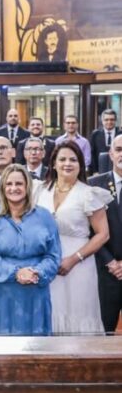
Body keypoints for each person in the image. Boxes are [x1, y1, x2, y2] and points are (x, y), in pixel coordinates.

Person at [35, 141, 111, 334]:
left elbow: (103, 234)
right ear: (53, 163)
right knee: (51, 311)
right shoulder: (40, 190)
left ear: (80, 165)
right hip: (45, 264)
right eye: (62, 159)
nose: (67, 164)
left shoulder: (88, 194)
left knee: (77, 313)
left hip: (79, 264)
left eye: (73, 160)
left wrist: (74, 259)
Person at [0, 164, 61, 336]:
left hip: (35, 290)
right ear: (2, 188)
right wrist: (15, 273)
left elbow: (53, 255)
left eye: (19, 184)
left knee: (36, 351)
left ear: (27, 187)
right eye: (9, 184)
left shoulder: (45, 216)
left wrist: (35, 272)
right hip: (0, 292)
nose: (14, 188)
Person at [88, 134, 122, 333]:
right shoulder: (94, 185)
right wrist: (111, 262)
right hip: (105, 270)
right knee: (103, 332)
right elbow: (89, 231)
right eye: (119, 149)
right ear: (110, 154)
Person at [90, 109, 120, 174]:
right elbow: (92, 154)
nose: (109, 122)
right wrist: (95, 171)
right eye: (106, 120)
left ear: (115, 120)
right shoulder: (95, 134)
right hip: (99, 171)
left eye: (112, 120)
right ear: (102, 121)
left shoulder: (121, 134)